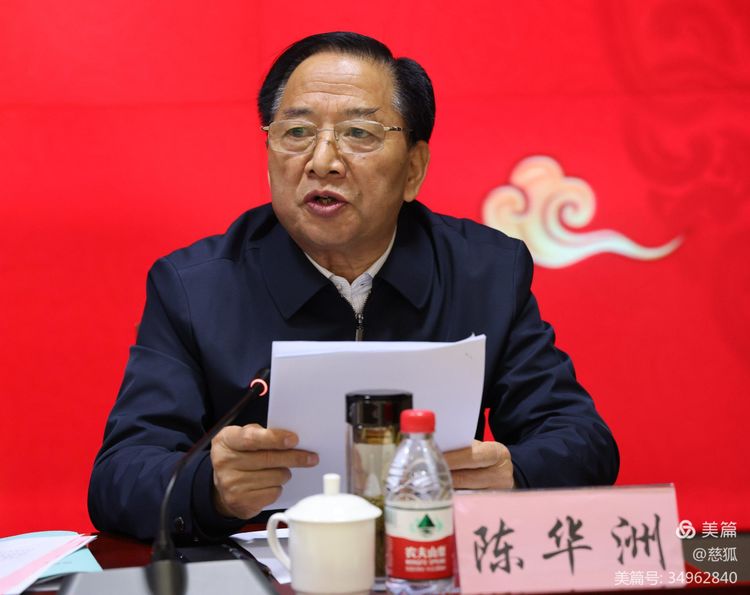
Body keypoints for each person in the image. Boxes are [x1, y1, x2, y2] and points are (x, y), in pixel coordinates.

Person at [88, 31, 618, 542]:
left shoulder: (485, 272)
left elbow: (583, 441)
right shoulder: (195, 288)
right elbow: (119, 476)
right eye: (297, 132)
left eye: (359, 133)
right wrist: (210, 489)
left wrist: (513, 472)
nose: (322, 161)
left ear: (413, 169)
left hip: (427, 557)